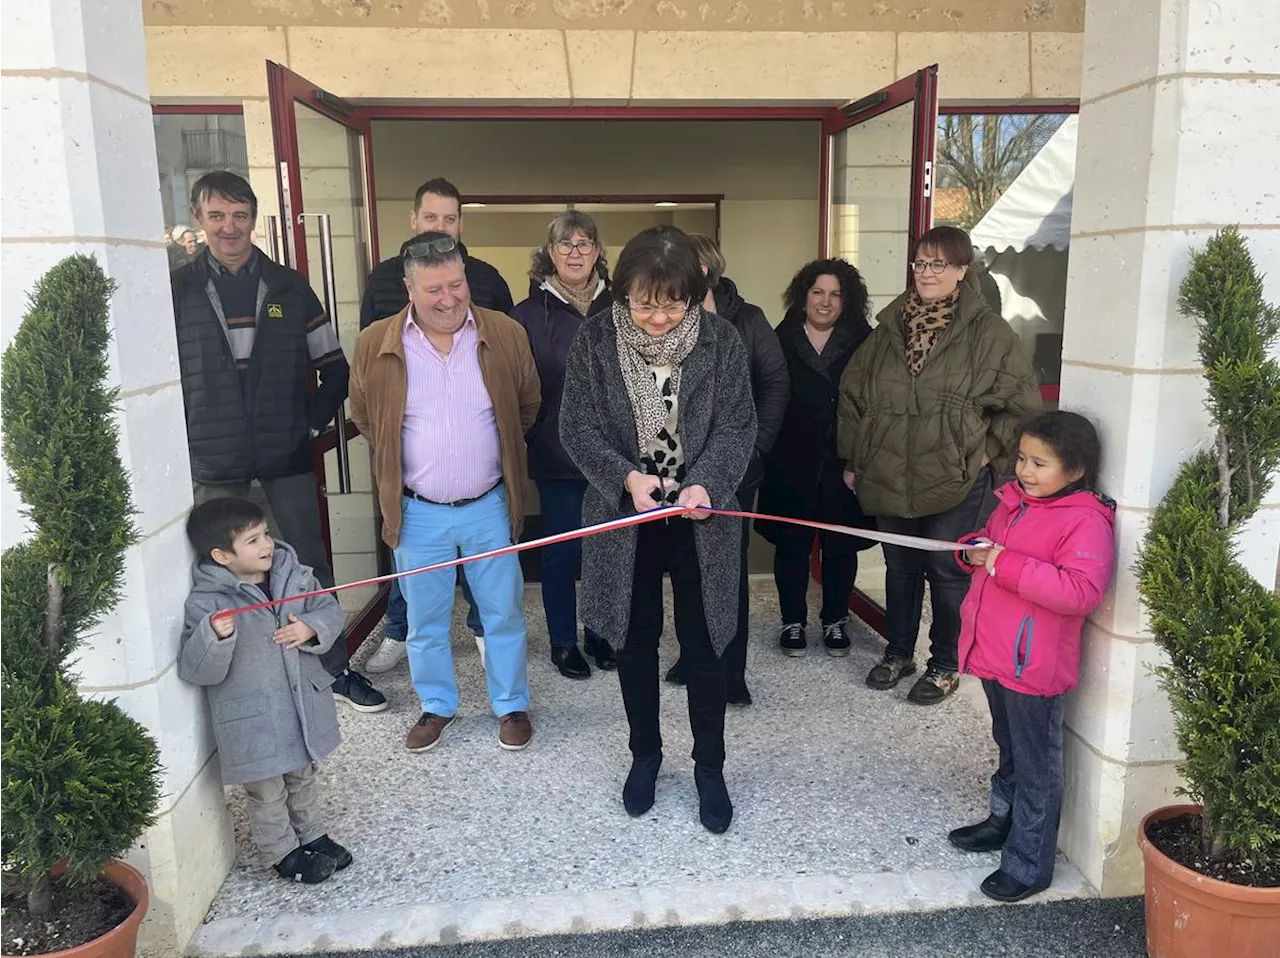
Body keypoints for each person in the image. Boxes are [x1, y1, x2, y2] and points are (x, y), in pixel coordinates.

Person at [560, 226, 757, 834]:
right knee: (633, 640)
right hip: (627, 516)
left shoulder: (721, 342)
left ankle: (710, 767)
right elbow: (577, 426)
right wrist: (626, 478)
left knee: (705, 645)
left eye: (672, 304)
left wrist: (707, 484)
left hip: (699, 516)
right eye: (644, 303)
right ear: (622, 293)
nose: (657, 316)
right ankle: (645, 755)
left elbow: (736, 427)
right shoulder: (595, 340)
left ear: (696, 294)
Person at [171, 171, 387, 715]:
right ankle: (242, 675)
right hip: (213, 461)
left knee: (307, 565)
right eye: (216, 216)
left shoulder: (289, 287)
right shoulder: (177, 289)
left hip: (285, 458)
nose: (229, 227)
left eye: (239, 215)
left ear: (254, 219)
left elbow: (335, 370)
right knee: (218, 573)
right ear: (198, 219)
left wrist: (309, 425)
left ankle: (334, 669)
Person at [349, 232, 541, 753]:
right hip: (417, 513)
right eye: (434, 288)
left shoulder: (503, 332)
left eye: (456, 284)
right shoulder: (376, 343)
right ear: (409, 288)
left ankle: (510, 705)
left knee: (502, 612)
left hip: (489, 505)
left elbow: (526, 406)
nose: (449, 298)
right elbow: (366, 416)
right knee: (425, 619)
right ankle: (436, 706)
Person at [837, 225, 1042, 705]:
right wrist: (854, 458)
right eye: (921, 263)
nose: (927, 273)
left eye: (939, 264)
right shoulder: (889, 329)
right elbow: (852, 398)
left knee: (947, 572)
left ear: (961, 270)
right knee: (899, 566)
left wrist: (984, 455)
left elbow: (1020, 405)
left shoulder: (989, 334)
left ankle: (946, 664)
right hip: (888, 469)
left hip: (956, 476)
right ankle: (899, 651)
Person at [950, 412, 1115, 902]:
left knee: (1036, 764)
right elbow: (990, 549)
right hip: (997, 655)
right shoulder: (1013, 502)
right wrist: (972, 550)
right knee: (1009, 747)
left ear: (1076, 470)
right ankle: (1001, 822)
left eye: (1040, 463)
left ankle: (1028, 863)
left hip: (1034, 667)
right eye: (1022, 458)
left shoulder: (1084, 520)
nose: (1024, 470)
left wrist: (1000, 560)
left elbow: (1080, 591)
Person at [361, 177, 511, 674]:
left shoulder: (488, 279)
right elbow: (366, 401)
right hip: (417, 494)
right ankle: (407, 648)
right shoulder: (382, 280)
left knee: (495, 600)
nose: (447, 299)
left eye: (450, 218)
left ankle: (490, 649)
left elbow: (517, 394)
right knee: (421, 602)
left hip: (483, 492)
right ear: (414, 219)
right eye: (432, 217)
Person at [178, 497, 352, 885]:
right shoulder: (206, 603)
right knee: (267, 790)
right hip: (254, 717)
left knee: (303, 774)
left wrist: (310, 628)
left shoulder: (298, 577)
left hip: (300, 705)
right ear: (222, 556)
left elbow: (329, 611)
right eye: (253, 540)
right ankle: (283, 852)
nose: (267, 545)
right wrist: (214, 636)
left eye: (266, 534)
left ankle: (312, 835)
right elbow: (196, 669)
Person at [664, 234, 789, 706]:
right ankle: (691, 654)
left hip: (736, 469)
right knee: (682, 566)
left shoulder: (749, 319)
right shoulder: (663, 322)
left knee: (725, 570)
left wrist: (755, 447)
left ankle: (731, 670)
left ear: (707, 270)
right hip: (675, 470)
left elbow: (775, 385)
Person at [508, 210, 615, 679]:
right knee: (562, 551)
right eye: (565, 244)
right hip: (557, 453)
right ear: (549, 253)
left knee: (605, 549)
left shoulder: (623, 307)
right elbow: (517, 389)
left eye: (585, 243)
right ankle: (563, 641)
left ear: (597, 252)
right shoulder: (527, 315)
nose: (576, 252)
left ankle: (600, 632)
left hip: (614, 456)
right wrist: (533, 436)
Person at [755, 258, 875, 659]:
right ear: (803, 296)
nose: (825, 302)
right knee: (792, 544)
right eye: (817, 292)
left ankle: (836, 619)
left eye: (836, 294)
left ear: (847, 301)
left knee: (840, 545)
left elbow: (875, 405)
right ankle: (792, 621)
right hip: (791, 460)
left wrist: (858, 461)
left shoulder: (865, 341)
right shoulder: (779, 338)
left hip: (845, 462)